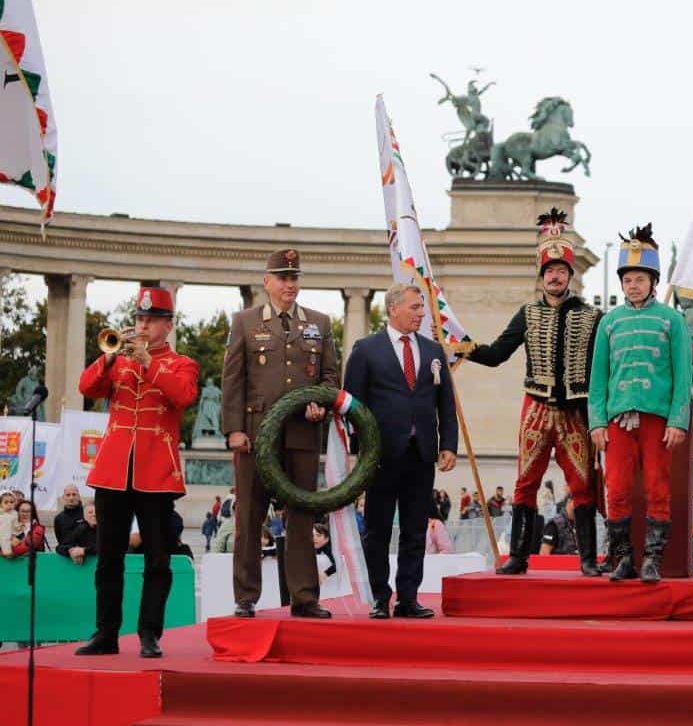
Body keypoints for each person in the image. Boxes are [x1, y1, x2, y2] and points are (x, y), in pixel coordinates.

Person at [456, 208, 603, 576]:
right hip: (536, 409)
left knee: (583, 485)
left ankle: (588, 559)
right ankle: (519, 557)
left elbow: (604, 367)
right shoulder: (528, 313)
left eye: (561, 270)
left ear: (570, 275)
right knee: (525, 484)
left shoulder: (592, 317)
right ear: (541, 275)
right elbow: (496, 354)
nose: (555, 276)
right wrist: (462, 347)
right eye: (549, 271)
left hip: (575, 413)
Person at [74, 286, 198, 658]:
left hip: (156, 473)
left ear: (168, 325)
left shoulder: (181, 363)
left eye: (152, 320)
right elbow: (86, 387)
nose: (143, 325)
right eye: (140, 319)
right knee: (108, 557)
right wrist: (109, 358)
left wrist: (148, 362)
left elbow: (184, 396)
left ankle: (149, 633)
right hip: (113, 469)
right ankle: (106, 633)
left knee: (157, 559)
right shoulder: (118, 361)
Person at [221, 249, 338, 620]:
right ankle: (246, 597)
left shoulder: (320, 322)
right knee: (249, 517)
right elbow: (233, 379)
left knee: (301, 517)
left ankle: (304, 598)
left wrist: (322, 402)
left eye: (294, 277)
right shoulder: (245, 321)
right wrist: (234, 429)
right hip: (255, 436)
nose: (290, 284)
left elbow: (330, 376)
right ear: (267, 281)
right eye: (283, 278)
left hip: (302, 433)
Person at [344, 282, 458, 619]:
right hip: (380, 456)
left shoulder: (433, 351)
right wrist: (358, 452)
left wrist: (448, 445)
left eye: (422, 307)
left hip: (421, 453)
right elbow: (352, 403)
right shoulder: (366, 350)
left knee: (415, 529)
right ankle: (380, 598)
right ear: (393, 309)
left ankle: (408, 598)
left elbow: (446, 403)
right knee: (377, 529)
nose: (421, 314)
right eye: (415, 307)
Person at [589, 223, 692, 583]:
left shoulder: (672, 320)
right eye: (628, 279)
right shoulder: (609, 322)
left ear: (653, 282)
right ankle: (624, 559)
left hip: (657, 420)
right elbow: (598, 378)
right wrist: (596, 421)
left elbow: (683, 376)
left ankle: (652, 559)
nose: (633, 285)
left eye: (640, 279)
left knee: (657, 488)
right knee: (616, 489)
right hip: (617, 419)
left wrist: (678, 420)